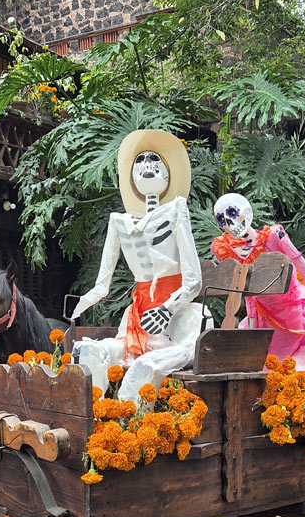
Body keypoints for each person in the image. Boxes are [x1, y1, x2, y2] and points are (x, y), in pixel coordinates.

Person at [70, 129, 207, 403]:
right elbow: (102, 284)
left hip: (182, 318)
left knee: (144, 366)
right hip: (138, 315)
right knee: (86, 352)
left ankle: (129, 425)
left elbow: (194, 281)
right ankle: (94, 416)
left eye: (154, 159)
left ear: (168, 174)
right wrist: (84, 302)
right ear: (130, 177)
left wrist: (167, 309)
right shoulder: (118, 221)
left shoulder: (176, 210)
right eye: (140, 160)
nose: (146, 165)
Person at [211, 192, 305, 389]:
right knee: (255, 361)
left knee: (299, 360)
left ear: (246, 211)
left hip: (293, 312)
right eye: (222, 220)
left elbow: (302, 266)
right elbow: (247, 293)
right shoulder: (225, 249)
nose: (230, 223)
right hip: (262, 318)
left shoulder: (274, 236)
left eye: (232, 214)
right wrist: (253, 328)